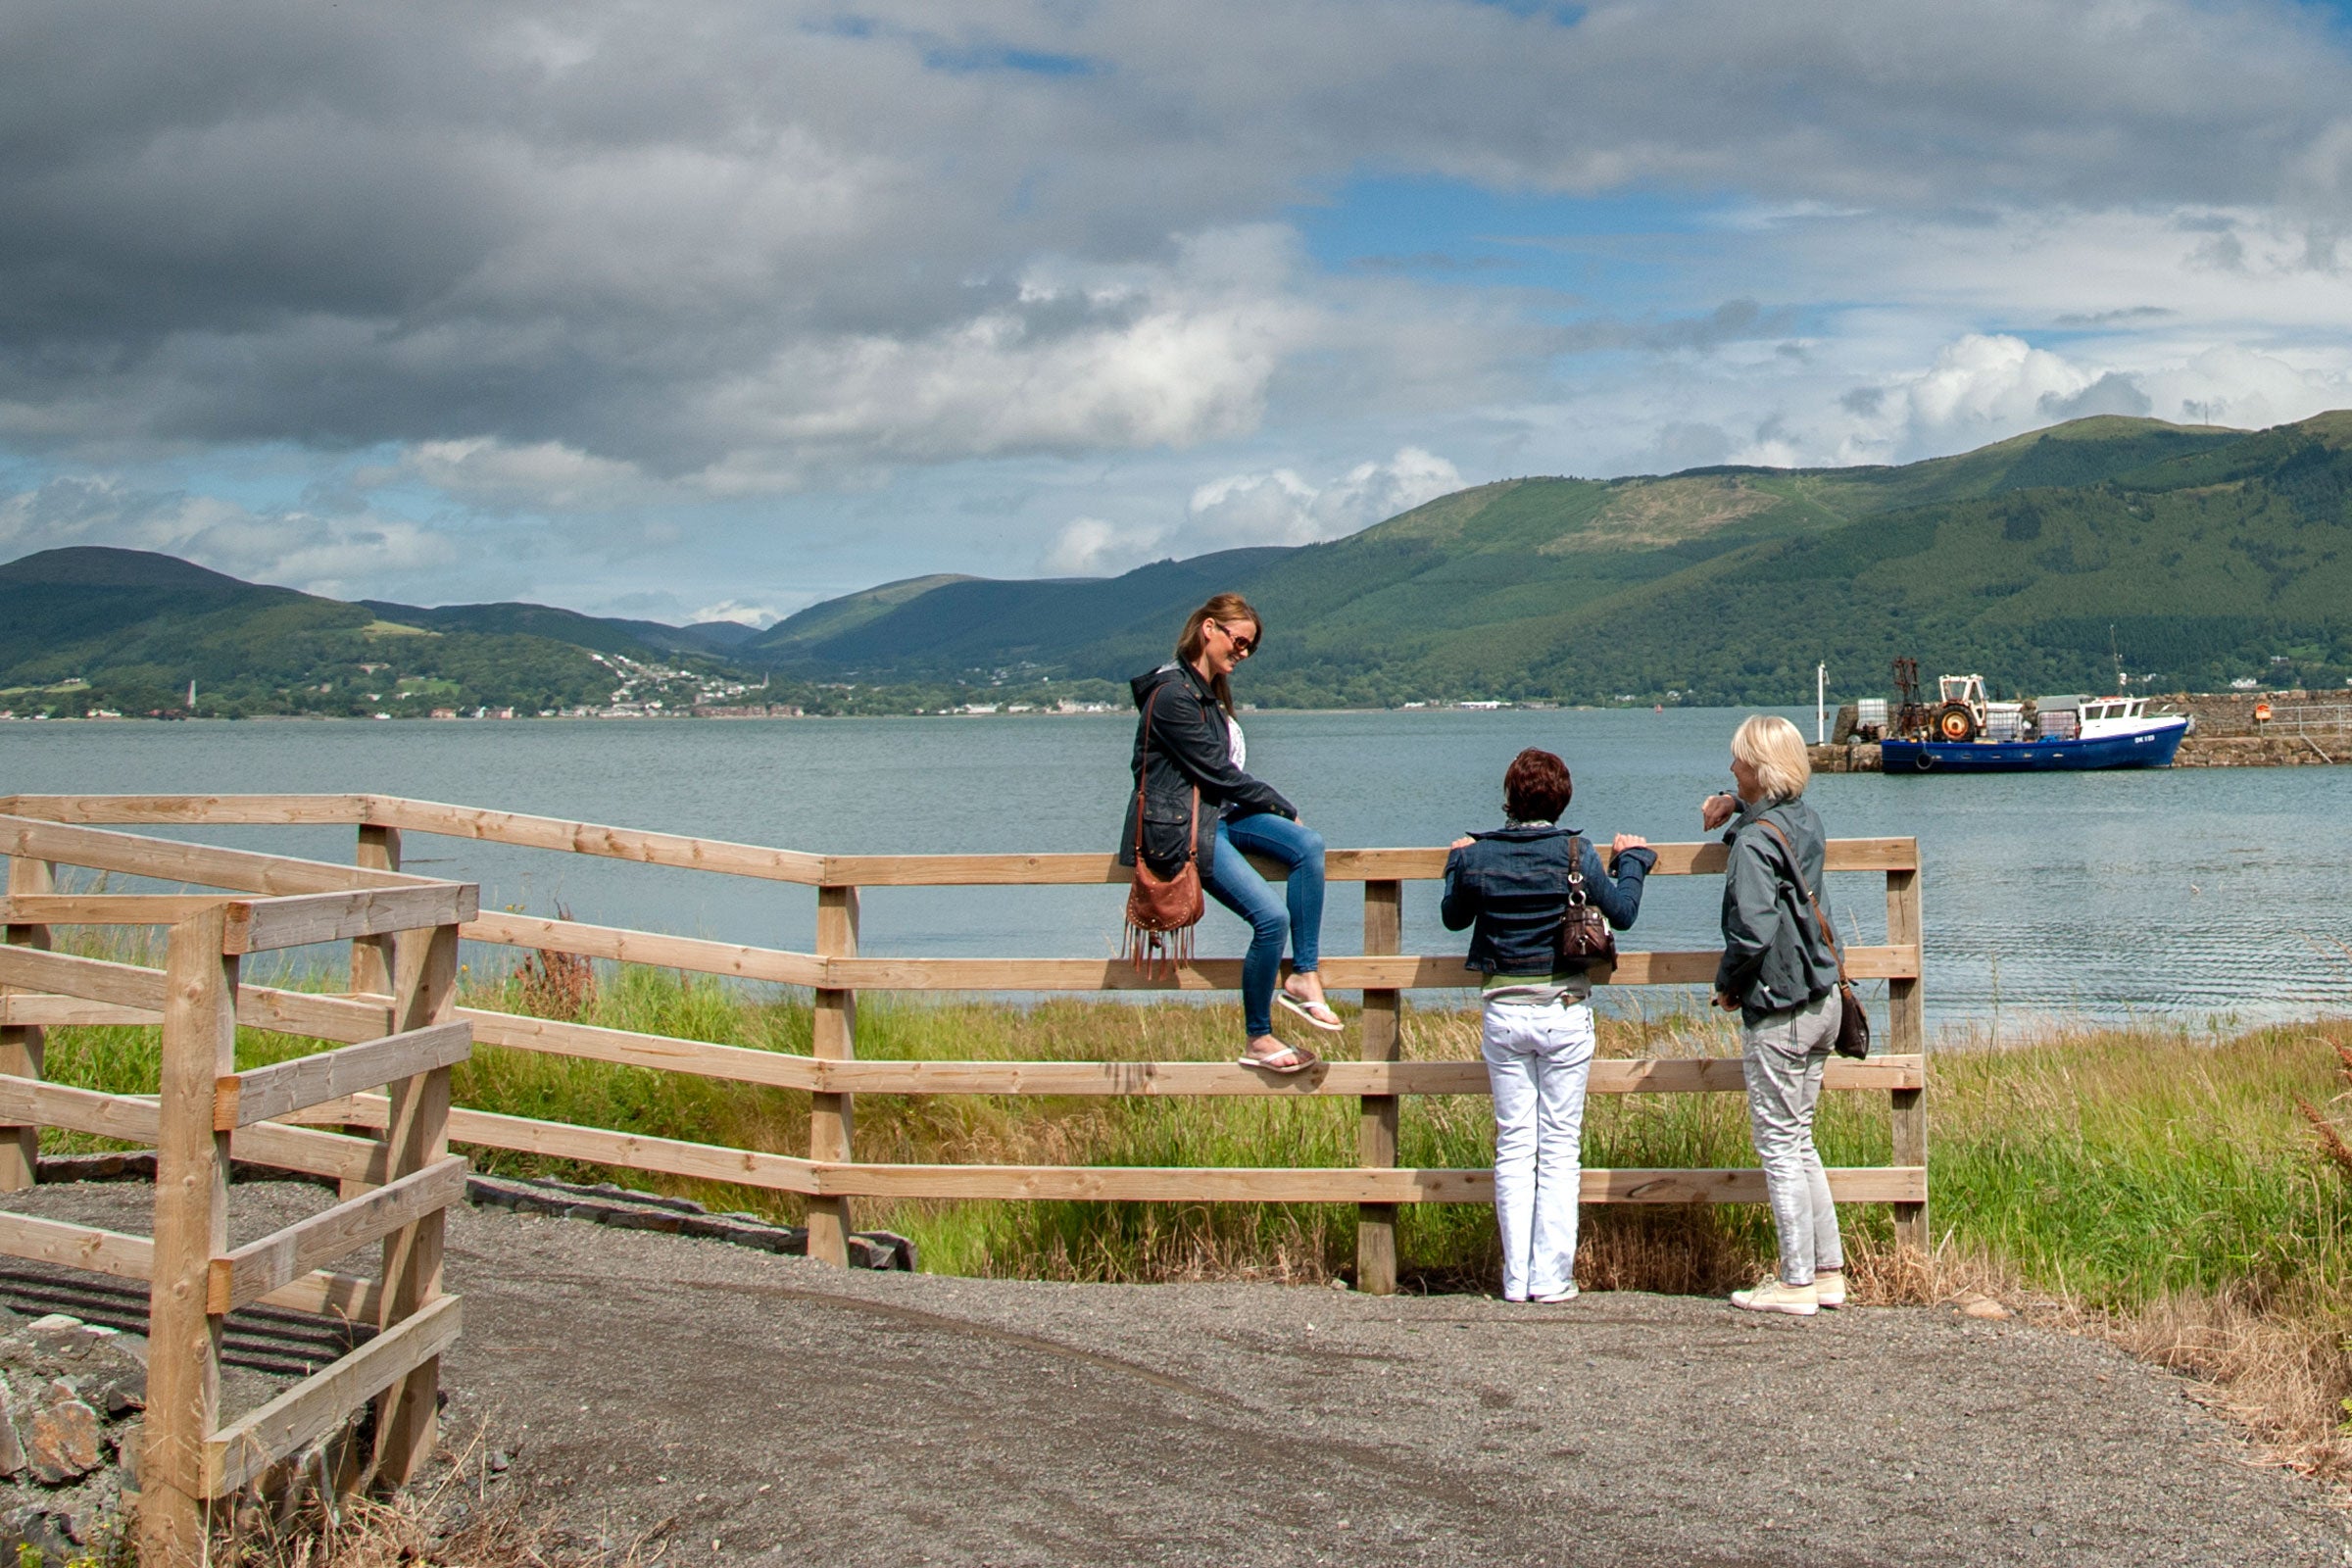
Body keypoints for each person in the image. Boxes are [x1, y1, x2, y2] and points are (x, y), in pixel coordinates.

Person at [1443, 749, 1654, 1303]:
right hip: (1563, 1010)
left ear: (1510, 798)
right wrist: (1632, 861)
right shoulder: (1575, 852)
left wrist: (1455, 863)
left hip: (1504, 1013)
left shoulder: (1479, 855)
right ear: (1562, 801)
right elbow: (1624, 914)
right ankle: (1551, 1277)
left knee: (1514, 1145)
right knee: (1560, 1148)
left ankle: (1515, 1278)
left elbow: (1453, 916)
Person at [1118, 593, 1339, 1072]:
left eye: (1249, 648)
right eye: (1239, 642)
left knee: (1308, 845)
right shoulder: (1173, 694)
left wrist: (1278, 813)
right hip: (1188, 829)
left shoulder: (1207, 691)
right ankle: (1258, 1036)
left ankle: (1304, 974)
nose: (1242, 653)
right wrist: (1279, 803)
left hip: (1222, 816)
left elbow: (1221, 777)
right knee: (1270, 920)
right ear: (1209, 629)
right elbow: (1216, 772)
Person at [1702, 714, 1846, 1317]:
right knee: (1801, 1140)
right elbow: (1774, 811)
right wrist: (1737, 802)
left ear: (1757, 769)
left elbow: (1754, 929)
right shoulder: (1805, 821)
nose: (1731, 766)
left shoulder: (1756, 844)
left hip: (1781, 1004)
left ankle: (1794, 1283)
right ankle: (1828, 1272)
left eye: (1738, 761)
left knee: (1780, 1146)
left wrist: (1728, 986)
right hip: (1825, 998)